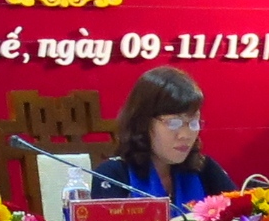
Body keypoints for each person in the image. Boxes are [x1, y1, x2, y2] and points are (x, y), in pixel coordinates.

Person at [91, 66, 233, 205]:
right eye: (174, 123)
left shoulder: (205, 169)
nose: (185, 135)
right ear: (143, 122)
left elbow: (239, 215)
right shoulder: (113, 175)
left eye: (193, 122)